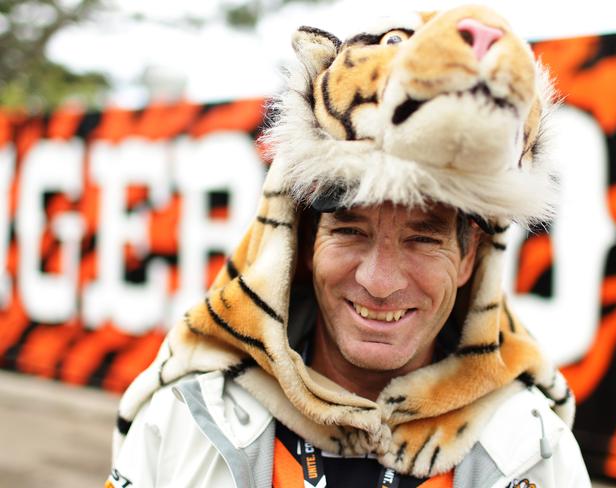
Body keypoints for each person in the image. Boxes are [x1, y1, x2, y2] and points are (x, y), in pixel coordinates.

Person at [108, 5, 591, 487]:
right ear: (304, 240)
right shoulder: (184, 420)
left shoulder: (532, 450)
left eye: (424, 239)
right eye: (349, 230)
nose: (379, 281)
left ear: (469, 257)